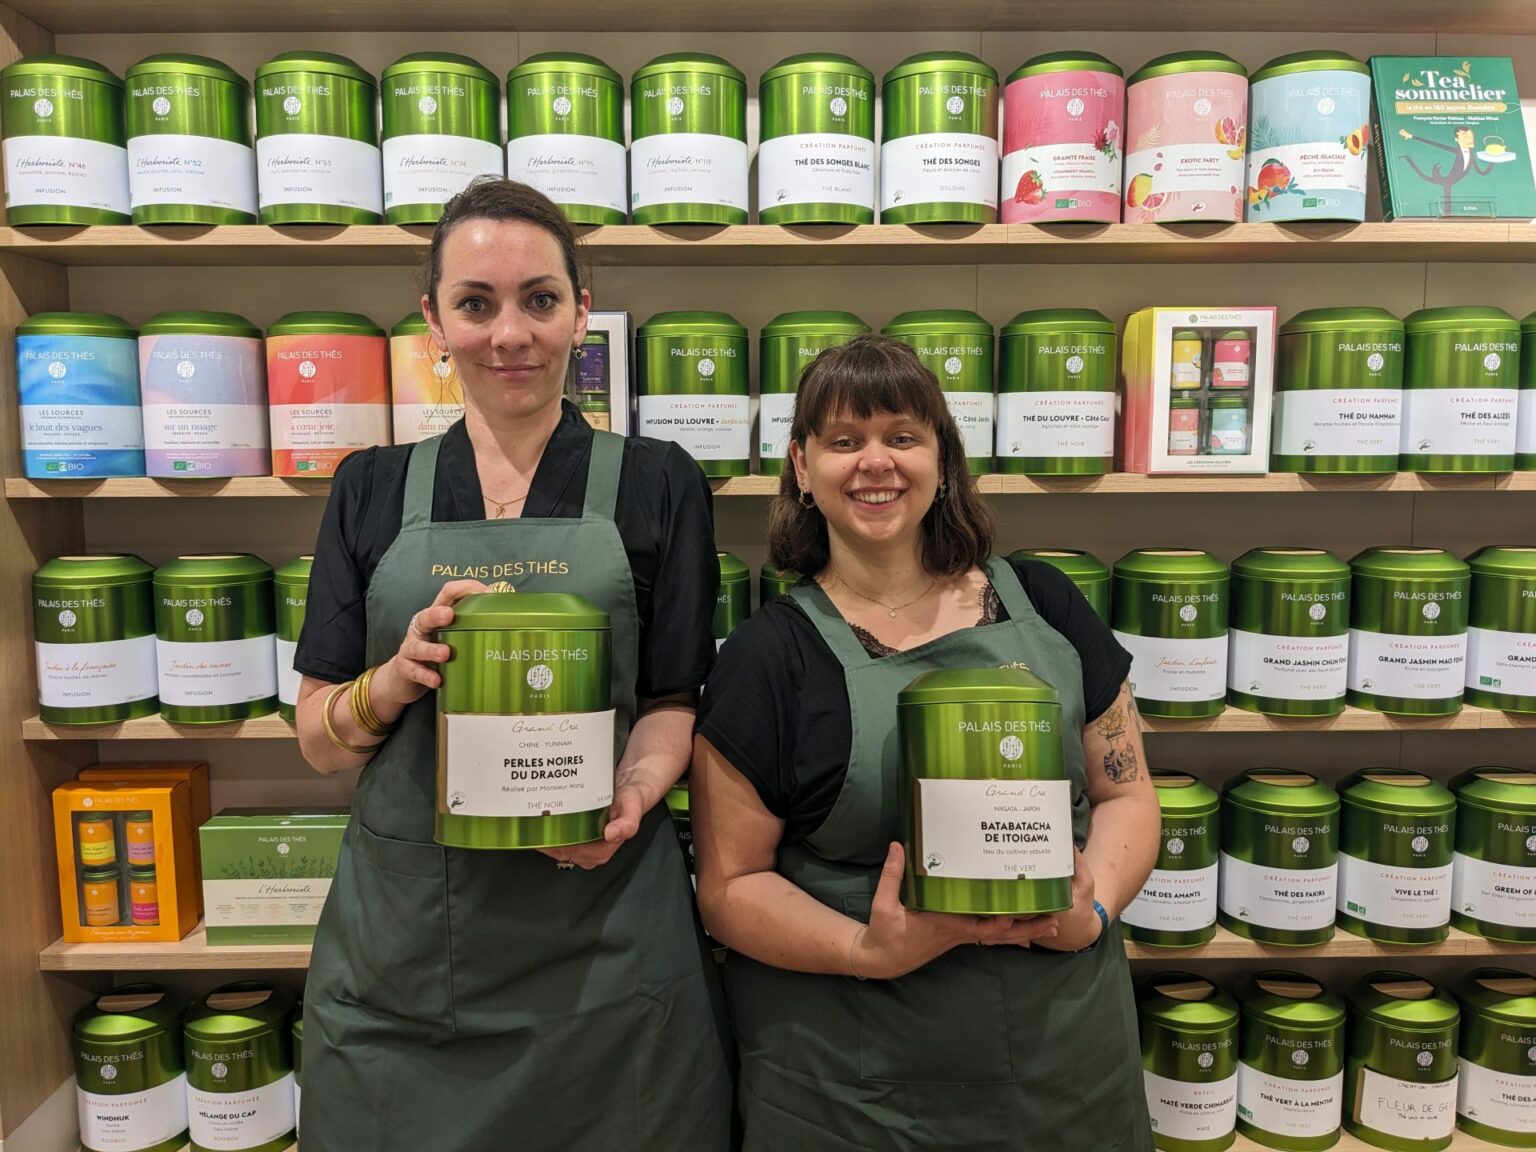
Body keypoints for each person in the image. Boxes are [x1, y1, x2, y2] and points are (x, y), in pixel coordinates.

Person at [292, 178, 732, 1152]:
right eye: (475, 303)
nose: (509, 334)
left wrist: (632, 797)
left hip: (604, 931)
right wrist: (392, 681)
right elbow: (319, 741)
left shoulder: (658, 482)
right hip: (408, 946)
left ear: (581, 312)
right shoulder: (370, 488)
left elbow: (671, 700)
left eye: (539, 300)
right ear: (433, 322)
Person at [692, 335, 1159, 1150]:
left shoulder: (1046, 604)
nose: (875, 462)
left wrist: (1091, 911)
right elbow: (730, 887)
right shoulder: (769, 657)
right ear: (802, 466)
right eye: (845, 440)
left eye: (902, 436)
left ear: (942, 460)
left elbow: (1126, 793)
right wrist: (866, 949)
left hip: (1063, 1063)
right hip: (854, 1086)